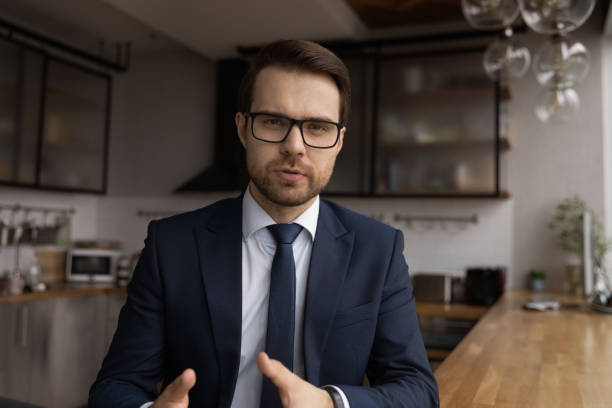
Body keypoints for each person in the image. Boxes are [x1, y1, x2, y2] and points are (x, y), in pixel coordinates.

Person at [89, 39, 439, 408]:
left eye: (317, 127)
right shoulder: (171, 245)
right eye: (274, 122)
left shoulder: (378, 250)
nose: (294, 146)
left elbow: (417, 389)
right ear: (242, 129)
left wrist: (330, 404)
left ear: (338, 141)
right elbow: (115, 385)